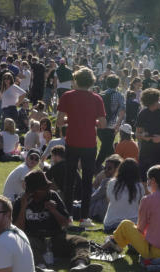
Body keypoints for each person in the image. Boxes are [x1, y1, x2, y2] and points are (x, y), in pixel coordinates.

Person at [13, 169, 102, 272]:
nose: (47, 189)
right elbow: (17, 229)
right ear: (33, 191)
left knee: (81, 241)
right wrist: (23, 207)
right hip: (35, 240)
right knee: (25, 244)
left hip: (56, 238)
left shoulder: (53, 196)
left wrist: (54, 210)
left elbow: (66, 223)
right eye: (44, 188)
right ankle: (41, 269)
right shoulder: (20, 201)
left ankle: (80, 266)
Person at [103, 165, 160, 259]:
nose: (147, 183)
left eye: (148, 179)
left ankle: (114, 244)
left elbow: (140, 229)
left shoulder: (148, 200)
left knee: (125, 224)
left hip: (155, 253)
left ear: (153, 180)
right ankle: (115, 243)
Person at [57, 67, 106, 222]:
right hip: (89, 143)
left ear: (76, 80)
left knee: (69, 180)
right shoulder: (97, 98)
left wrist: (70, 120)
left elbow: (59, 121)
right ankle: (85, 217)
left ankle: (68, 215)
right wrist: (92, 121)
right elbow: (103, 124)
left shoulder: (67, 96)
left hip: (72, 141)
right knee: (87, 181)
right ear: (91, 81)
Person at [104, 158, 146, 234]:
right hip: (132, 224)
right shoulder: (140, 186)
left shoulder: (111, 183)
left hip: (111, 224)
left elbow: (109, 201)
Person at [97, 74, 125, 167]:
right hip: (112, 125)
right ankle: (97, 165)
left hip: (100, 124)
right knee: (106, 147)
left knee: (106, 147)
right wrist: (118, 125)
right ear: (117, 84)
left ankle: (113, 166)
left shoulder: (100, 95)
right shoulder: (119, 95)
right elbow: (122, 112)